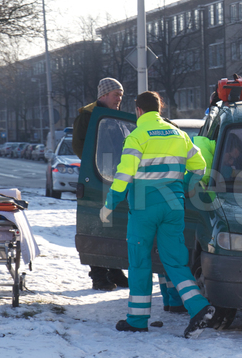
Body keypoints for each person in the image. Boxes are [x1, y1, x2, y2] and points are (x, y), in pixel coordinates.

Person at [100, 90, 218, 338]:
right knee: (175, 261)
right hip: (174, 206)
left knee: (140, 262)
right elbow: (200, 166)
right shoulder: (181, 134)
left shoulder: (137, 136)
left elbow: (124, 176)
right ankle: (198, 306)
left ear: (138, 110)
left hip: (144, 208)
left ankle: (137, 319)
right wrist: (183, 187)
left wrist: (109, 205)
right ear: (159, 109)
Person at [72, 77, 130, 291]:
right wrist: (96, 165)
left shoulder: (115, 117)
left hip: (114, 179)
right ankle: (98, 275)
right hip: (98, 178)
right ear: (104, 95)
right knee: (98, 227)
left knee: (112, 227)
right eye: (116, 95)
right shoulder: (88, 117)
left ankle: (114, 270)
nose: (119, 99)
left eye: (121, 96)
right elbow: (79, 145)